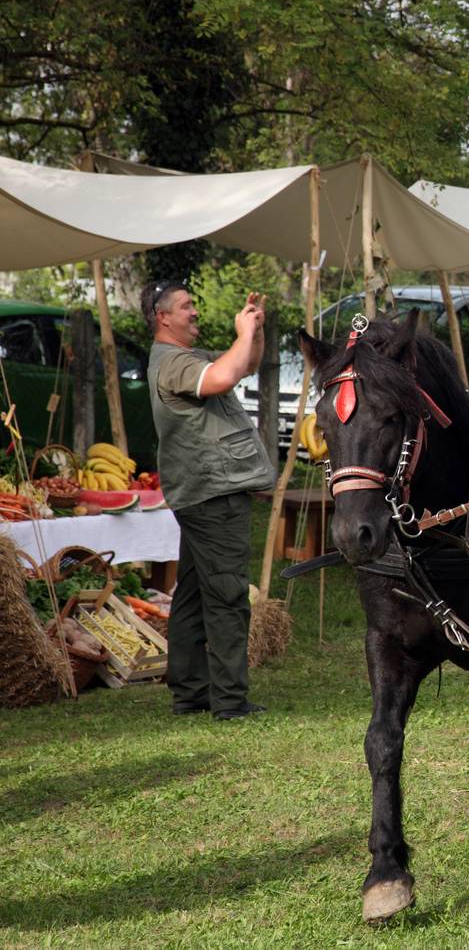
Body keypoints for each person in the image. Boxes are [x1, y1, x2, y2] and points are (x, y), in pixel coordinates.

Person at [142, 280, 275, 720]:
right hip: (212, 493)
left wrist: (253, 331)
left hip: (206, 491)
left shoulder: (183, 357)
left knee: (195, 593)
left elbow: (242, 366)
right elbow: (222, 377)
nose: (195, 312)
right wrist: (240, 335)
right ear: (163, 317)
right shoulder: (172, 362)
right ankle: (230, 702)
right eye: (187, 307)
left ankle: (192, 691)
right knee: (227, 593)